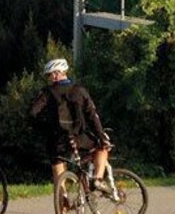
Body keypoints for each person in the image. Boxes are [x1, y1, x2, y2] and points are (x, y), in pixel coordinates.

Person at [28, 58, 112, 192]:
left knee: (58, 167)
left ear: (57, 73)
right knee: (102, 148)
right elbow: (92, 115)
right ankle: (97, 179)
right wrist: (101, 136)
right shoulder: (80, 90)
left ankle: (62, 203)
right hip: (79, 137)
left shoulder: (47, 93)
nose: (50, 78)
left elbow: (32, 113)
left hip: (57, 139)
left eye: (50, 75)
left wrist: (46, 128)